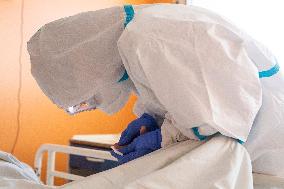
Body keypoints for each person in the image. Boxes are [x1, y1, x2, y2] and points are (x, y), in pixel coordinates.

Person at [27, 4, 284, 176]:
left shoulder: (147, 40)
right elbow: (178, 97)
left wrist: (162, 138)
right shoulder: (136, 39)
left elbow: (213, 122)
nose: (93, 102)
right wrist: (154, 121)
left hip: (267, 144)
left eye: (82, 99)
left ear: (83, 65)